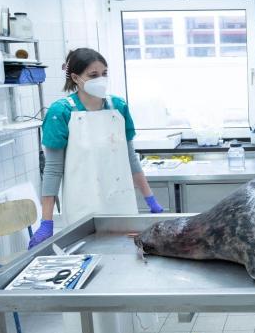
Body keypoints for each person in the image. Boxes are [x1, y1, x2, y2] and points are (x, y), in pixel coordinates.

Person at [29, 48, 163, 248]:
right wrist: (46, 222)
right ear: (76, 77)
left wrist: (151, 200)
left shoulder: (118, 107)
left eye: (104, 73)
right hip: (82, 210)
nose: (101, 79)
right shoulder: (61, 112)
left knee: (126, 258)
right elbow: (53, 170)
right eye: (93, 75)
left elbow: (131, 159)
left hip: (121, 204)